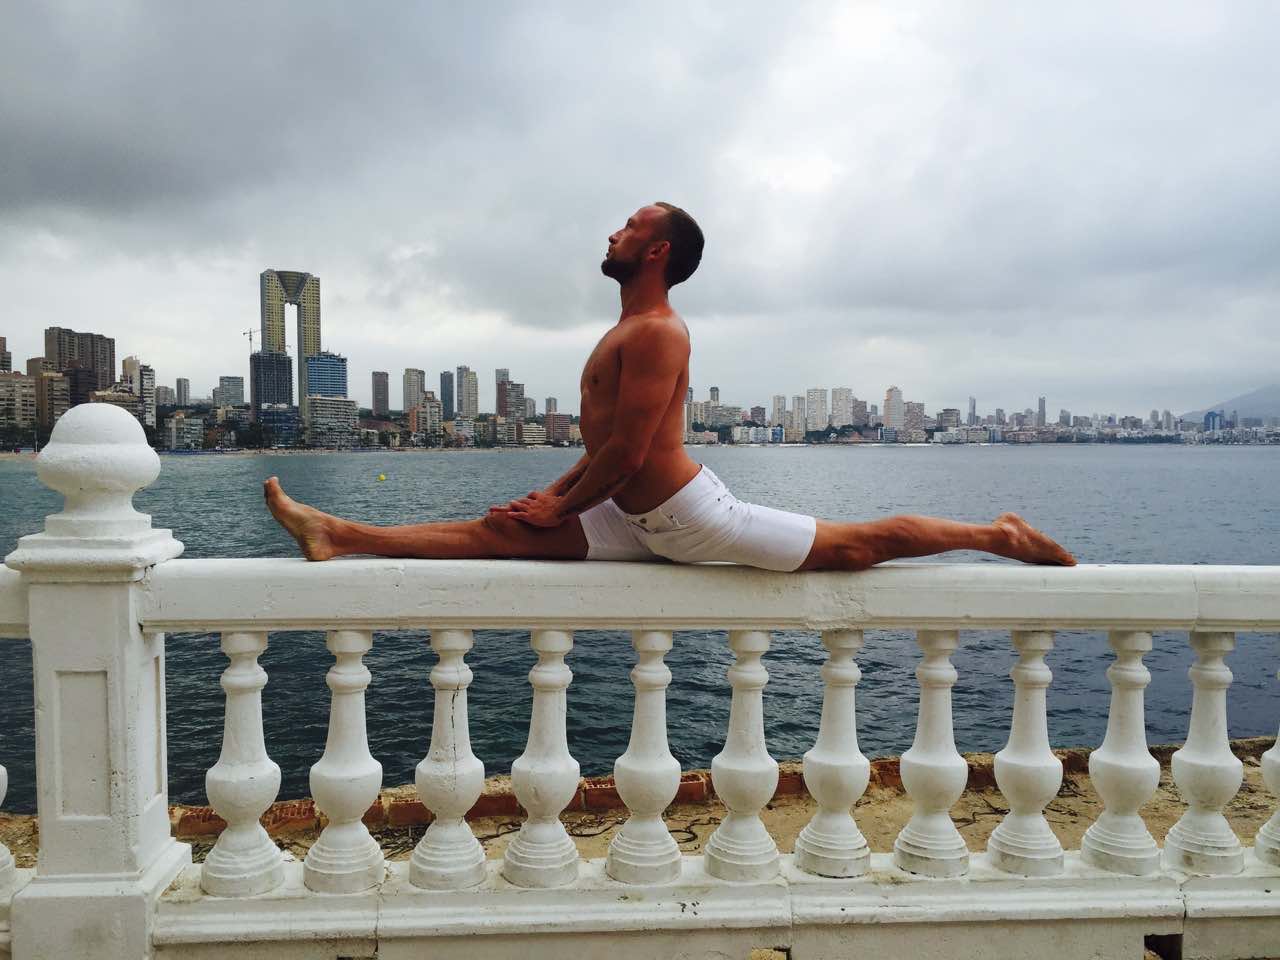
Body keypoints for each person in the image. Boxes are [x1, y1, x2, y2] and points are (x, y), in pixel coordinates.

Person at [265, 203, 1075, 571]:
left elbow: (630, 447)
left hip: (688, 518)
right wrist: (547, 497)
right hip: (627, 513)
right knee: (494, 533)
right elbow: (602, 450)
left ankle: (996, 534)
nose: (611, 232)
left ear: (656, 254)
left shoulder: (658, 332)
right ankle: (338, 532)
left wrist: (561, 505)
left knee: (862, 545)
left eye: (628, 228)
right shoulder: (624, 330)